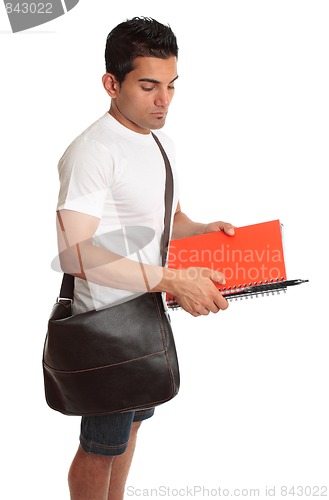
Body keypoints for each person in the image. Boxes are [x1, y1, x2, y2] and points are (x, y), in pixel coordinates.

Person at [56, 17, 235, 500]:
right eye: (149, 85)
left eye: (172, 85)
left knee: (130, 431)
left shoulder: (160, 142)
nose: (164, 100)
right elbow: (75, 254)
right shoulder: (92, 151)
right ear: (111, 84)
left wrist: (201, 229)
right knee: (101, 447)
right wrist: (172, 280)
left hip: (145, 315)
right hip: (106, 325)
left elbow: (164, 218)